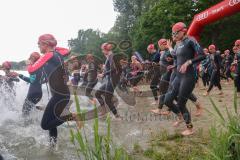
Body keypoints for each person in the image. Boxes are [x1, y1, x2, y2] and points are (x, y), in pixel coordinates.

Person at [27, 34, 79, 147]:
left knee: (45, 125)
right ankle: (52, 147)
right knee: (51, 123)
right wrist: (53, 45)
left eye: (39, 43)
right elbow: (67, 50)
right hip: (62, 94)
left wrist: (30, 62)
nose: (38, 46)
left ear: (45, 44)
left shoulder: (49, 55)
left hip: (59, 95)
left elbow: (31, 70)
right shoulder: (57, 53)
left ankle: (70, 117)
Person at [164, 22, 205, 136]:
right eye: (173, 33)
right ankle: (180, 115)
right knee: (167, 100)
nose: (174, 35)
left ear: (183, 31)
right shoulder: (178, 44)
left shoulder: (190, 40)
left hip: (189, 76)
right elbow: (177, 57)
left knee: (181, 103)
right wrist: (173, 64)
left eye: (176, 33)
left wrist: (189, 62)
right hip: (179, 76)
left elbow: (202, 55)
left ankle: (190, 128)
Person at [95, 42, 122, 120]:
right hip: (110, 79)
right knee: (97, 93)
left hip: (113, 79)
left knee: (107, 99)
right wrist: (104, 73)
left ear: (106, 49)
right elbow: (111, 68)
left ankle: (117, 116)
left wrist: (103, 74)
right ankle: (104, 110)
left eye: (103, 50)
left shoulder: (111, 56)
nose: (102, 51)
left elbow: (114, 69)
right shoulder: (109, 56)